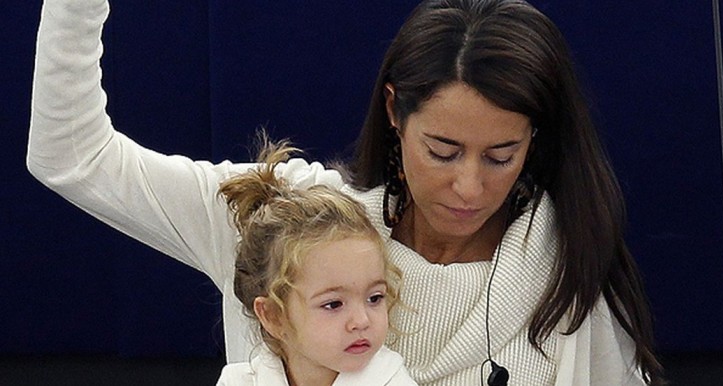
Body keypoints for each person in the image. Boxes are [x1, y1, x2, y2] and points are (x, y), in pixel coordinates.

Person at [27, 0, 663, 385]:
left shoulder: (569, 263)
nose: (468, 186)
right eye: (441, 151)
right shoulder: (288, 223)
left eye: (501, 156)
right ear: (394, 111)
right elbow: (72, 155)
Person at [214, 135, 416, 386]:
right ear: (274, 316)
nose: (362, 321)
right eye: (333, 304)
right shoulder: (239, 381)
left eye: (374, 298)